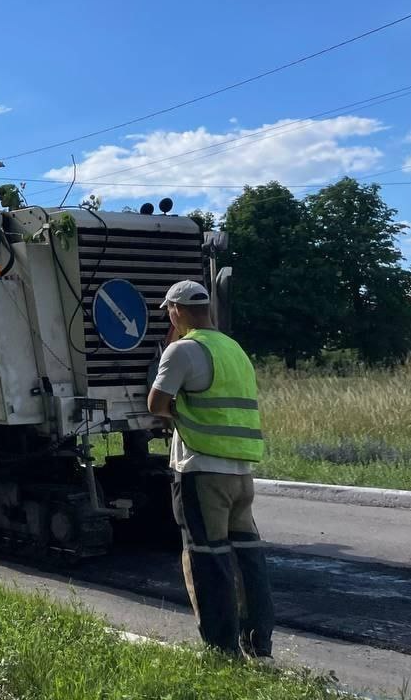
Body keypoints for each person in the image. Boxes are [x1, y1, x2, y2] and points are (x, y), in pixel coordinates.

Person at [147, 279, 275, 659]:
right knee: (248, 556)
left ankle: (221, 649)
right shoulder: (233, 349)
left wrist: (177, 411)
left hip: (201, 468)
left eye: (169, 311)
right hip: (241, 471)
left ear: (177, 310)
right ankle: (258, 644)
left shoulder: (183, 350)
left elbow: (156, 404)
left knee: (207, 556)